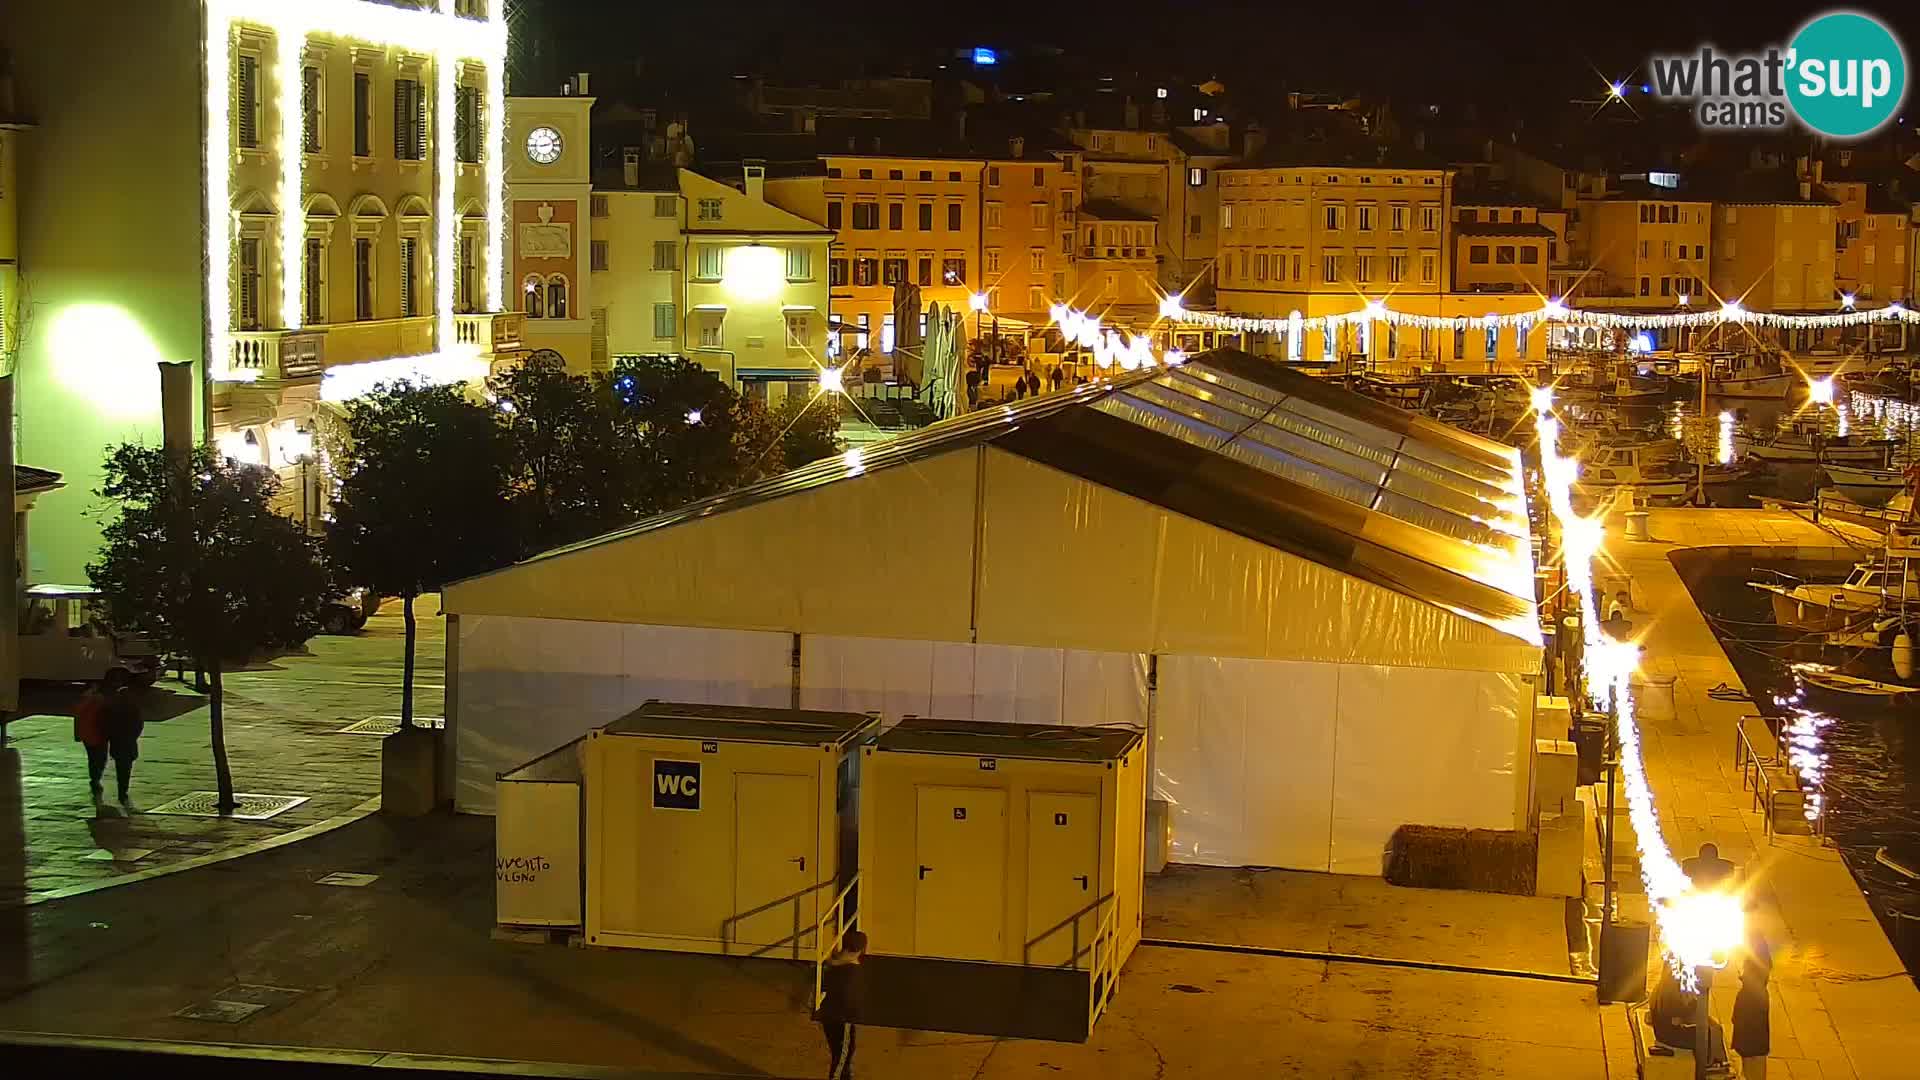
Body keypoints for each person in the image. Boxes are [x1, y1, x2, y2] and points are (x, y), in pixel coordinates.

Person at [818, 928, 866, 1079]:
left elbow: (824, 986)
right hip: (842, 1017)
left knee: (841, 1052)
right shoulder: (852, 970)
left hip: (829, 1015)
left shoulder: (833, 964)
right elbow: (850, 998)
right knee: (843, 1054)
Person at [101, 685, 145, 808]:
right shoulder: (134, 709)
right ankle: (123, 790)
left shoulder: (113, 709)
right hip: (129, 743)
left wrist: (110, 737)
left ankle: (121, 789)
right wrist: (133, 737)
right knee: (126, 769)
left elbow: (107, 724)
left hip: (117, 743)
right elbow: (139, 725)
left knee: (120, 768)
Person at [1732, 945, 1771, 1078]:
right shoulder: (1760, 994)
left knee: (1752, 1062)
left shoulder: (1750, 996)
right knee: (1755, 1062)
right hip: (1753, 1035)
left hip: (1750, 1031)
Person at [73, 684, 109, 803]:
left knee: (94, 758)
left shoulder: (84, 703)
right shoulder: (99, 702)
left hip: (89, 735)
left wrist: (77, 735)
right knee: (100, 758)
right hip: (97, 735)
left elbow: (77, 718)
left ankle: (95, 779)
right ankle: (95, 778)